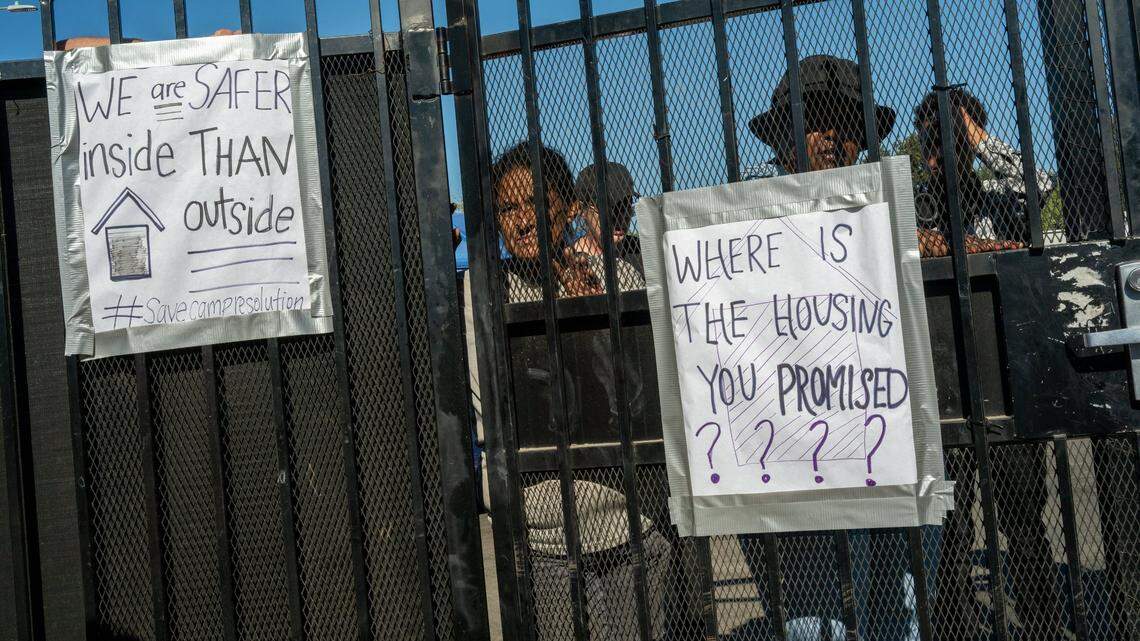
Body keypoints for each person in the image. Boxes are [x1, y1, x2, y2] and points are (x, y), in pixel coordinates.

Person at [743, 56, 941, 641]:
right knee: (813, 622)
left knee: (903, 613)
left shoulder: (889, 205)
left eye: (845, 122)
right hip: (793, 453)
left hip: (893, 440)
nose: (831, 136)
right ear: (783, 135)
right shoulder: (742, 213)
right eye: (815, 121)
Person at [463, 141, 671, 639]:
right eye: (508, 209)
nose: (523, 221)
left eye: (536, 203)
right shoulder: (485, 291)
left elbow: (641, 399)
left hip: (631, 524)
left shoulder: (616, 277)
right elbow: (487, 398)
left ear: (568, 209)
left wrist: (592, 321)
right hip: (541, 536)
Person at [912, 87, 1054, 257]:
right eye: (927, 144)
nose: (937, 156)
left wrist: (981, 141)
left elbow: (1042, 184)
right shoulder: (912, 204)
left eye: (949, 143)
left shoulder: (995, 197)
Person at [571, 161, 645, 287]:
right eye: (608, 209)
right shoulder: (570, 260)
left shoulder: (642, 253)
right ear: (582, 210)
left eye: (625, 205)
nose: (619, 217)